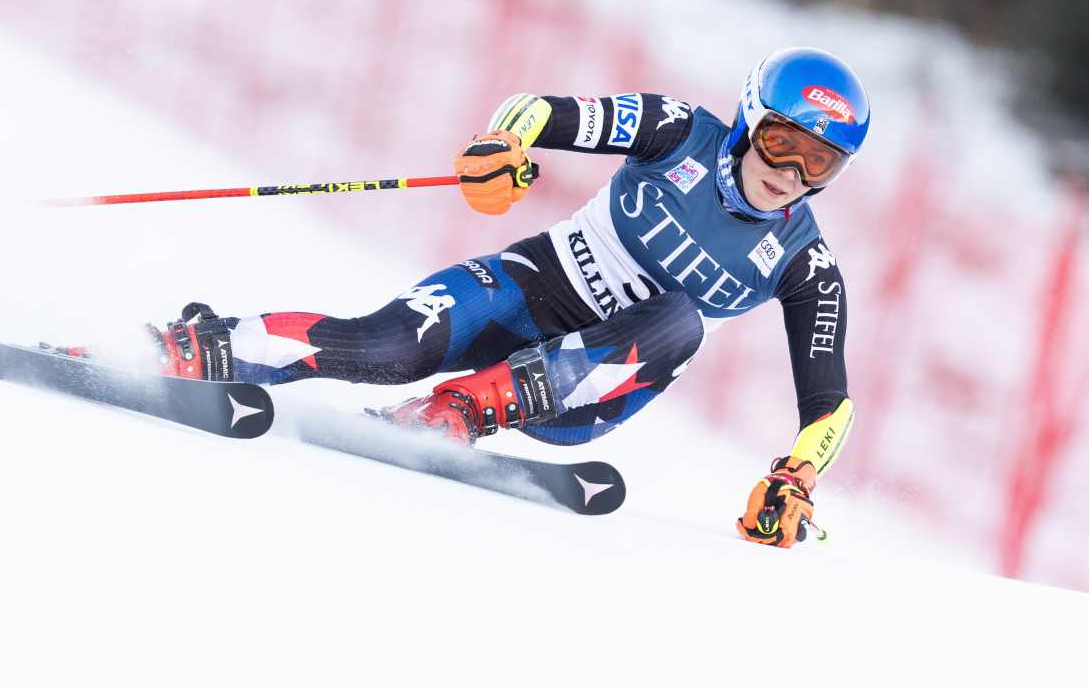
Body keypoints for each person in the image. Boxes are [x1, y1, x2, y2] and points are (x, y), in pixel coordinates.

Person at [142, 47, 868, 549]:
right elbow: (537, 111)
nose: (792, 171)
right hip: (531, 285)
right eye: (782, 141)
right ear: (749, 119)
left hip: (587, 388)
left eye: (820, 161)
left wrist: (797, 477)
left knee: (683, 319)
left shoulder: (807, 262)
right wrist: (505, 148)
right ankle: (206, 345)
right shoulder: (678, 132)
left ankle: (454, 410)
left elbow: (830, 402)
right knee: (389, 345)